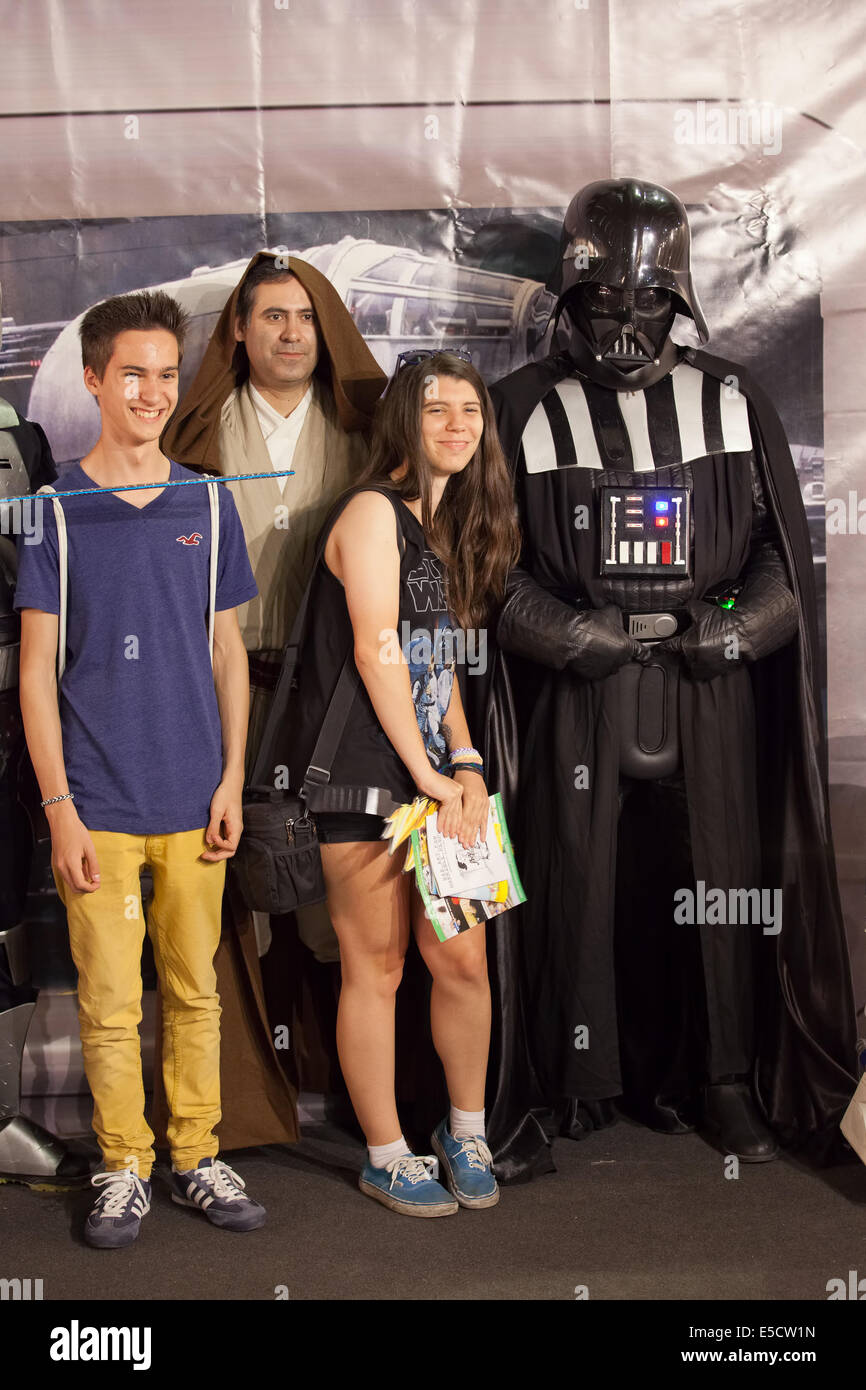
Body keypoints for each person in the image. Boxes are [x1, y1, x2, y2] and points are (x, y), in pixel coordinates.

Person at [487, 179, 857, 1168]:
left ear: (679, 298)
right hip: (575, 694)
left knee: (718, 878)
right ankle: (577, 1077)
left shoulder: (731, 398)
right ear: (567, 298)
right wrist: (566, 634)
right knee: (574, 878)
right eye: (602, 305)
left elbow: (778, 563)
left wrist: (722, 630)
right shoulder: (515, 408)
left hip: (710, 692)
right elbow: (489, 567)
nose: (623, 327)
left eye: (646, 304)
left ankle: (721, 1075)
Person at [16, 290, 265, 1247]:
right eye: (134, 374)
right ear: (94, 380)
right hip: (100, 808)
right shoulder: (52, 515)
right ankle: (125, 1166)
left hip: (197, 798)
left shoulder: (208, 501)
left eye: (167, 374)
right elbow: (36, 676)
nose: (153, 391)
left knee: (196, 990)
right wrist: (60, 809)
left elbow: (227, 653)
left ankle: (197, 1157)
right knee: (113, 1005)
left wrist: (233, 777)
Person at [162, 251, 386, 1147]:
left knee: (336, 900)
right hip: (230, 690)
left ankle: (347, 1094)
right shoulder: (197, 430)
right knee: (232, 896)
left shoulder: (367, 428)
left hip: (338, 693)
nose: (291, 333)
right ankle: (240, 1108)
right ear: (240, 330)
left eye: (304, 317)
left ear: (323, 329)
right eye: (271, 317)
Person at [289, 350, 520, 1215]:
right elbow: (375, 649)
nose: (458, 426)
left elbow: (439, 664)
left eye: (471, 411)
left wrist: (463, 763)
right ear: (402, 421)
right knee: (376, 968)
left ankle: (466, 1131)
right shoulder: (370, 512)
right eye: (437, 411)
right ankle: (384, 1152)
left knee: (463, 958)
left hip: (435, 777)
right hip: (363, 775)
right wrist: (424, 772)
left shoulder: (440, 522)